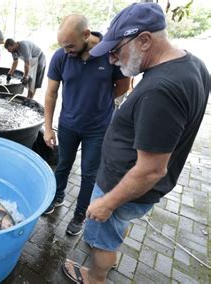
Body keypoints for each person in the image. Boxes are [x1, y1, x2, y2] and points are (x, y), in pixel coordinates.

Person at [60, 3, 209, 283]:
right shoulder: (193, 65)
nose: (113, 60)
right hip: (136, 188)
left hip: (122, 186)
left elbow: (152, 170)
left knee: (101, 236)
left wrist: (106, 203)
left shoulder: (161, 90)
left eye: (117, 50)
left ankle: (94, 276)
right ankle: (108, 255)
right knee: (114, 228)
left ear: (144, 40)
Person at [42, 14, 130, 237]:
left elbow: (122, 86)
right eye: (63, 45)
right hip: (68, 125)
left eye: (70, 45)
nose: (66, 50)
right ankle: (56, 197)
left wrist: (101, 101)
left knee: (89, 174)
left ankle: (79, 215)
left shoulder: (111, 54)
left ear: (86, 35)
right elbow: (51, 94)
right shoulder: (61, 57)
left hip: (98, 128)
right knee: (62, 165)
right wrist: (48, 127)